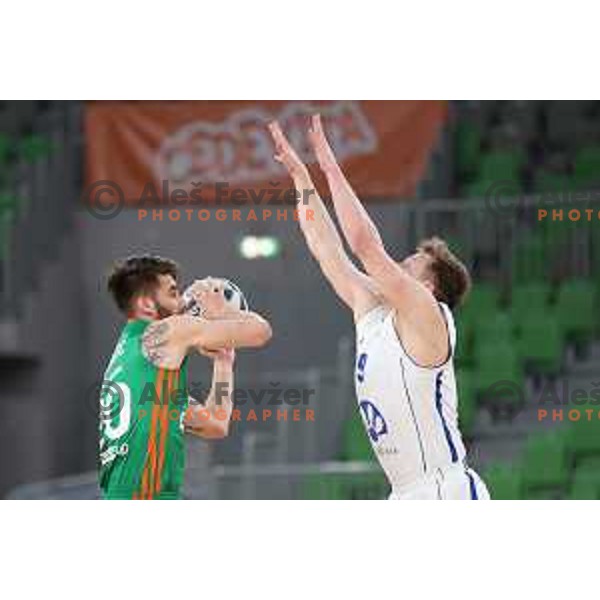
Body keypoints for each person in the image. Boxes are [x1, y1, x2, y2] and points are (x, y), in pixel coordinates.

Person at [268, 116, 489, 499]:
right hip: (403, 493)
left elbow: (363, 244)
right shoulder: (374, 315)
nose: (396, 269)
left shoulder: (430, 316)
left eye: (407, 266)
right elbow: (327, 250)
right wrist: (302, 178)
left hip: (444, 489)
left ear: (428, 286)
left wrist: (328, 163)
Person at [99, 255, 272, 499]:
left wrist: (223, 363)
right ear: (147, 305)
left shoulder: (128, 361)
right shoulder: (164, 331)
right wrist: (220, 313)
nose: (183, 303)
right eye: (173, 294)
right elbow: (260, 332)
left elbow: (216, 424)